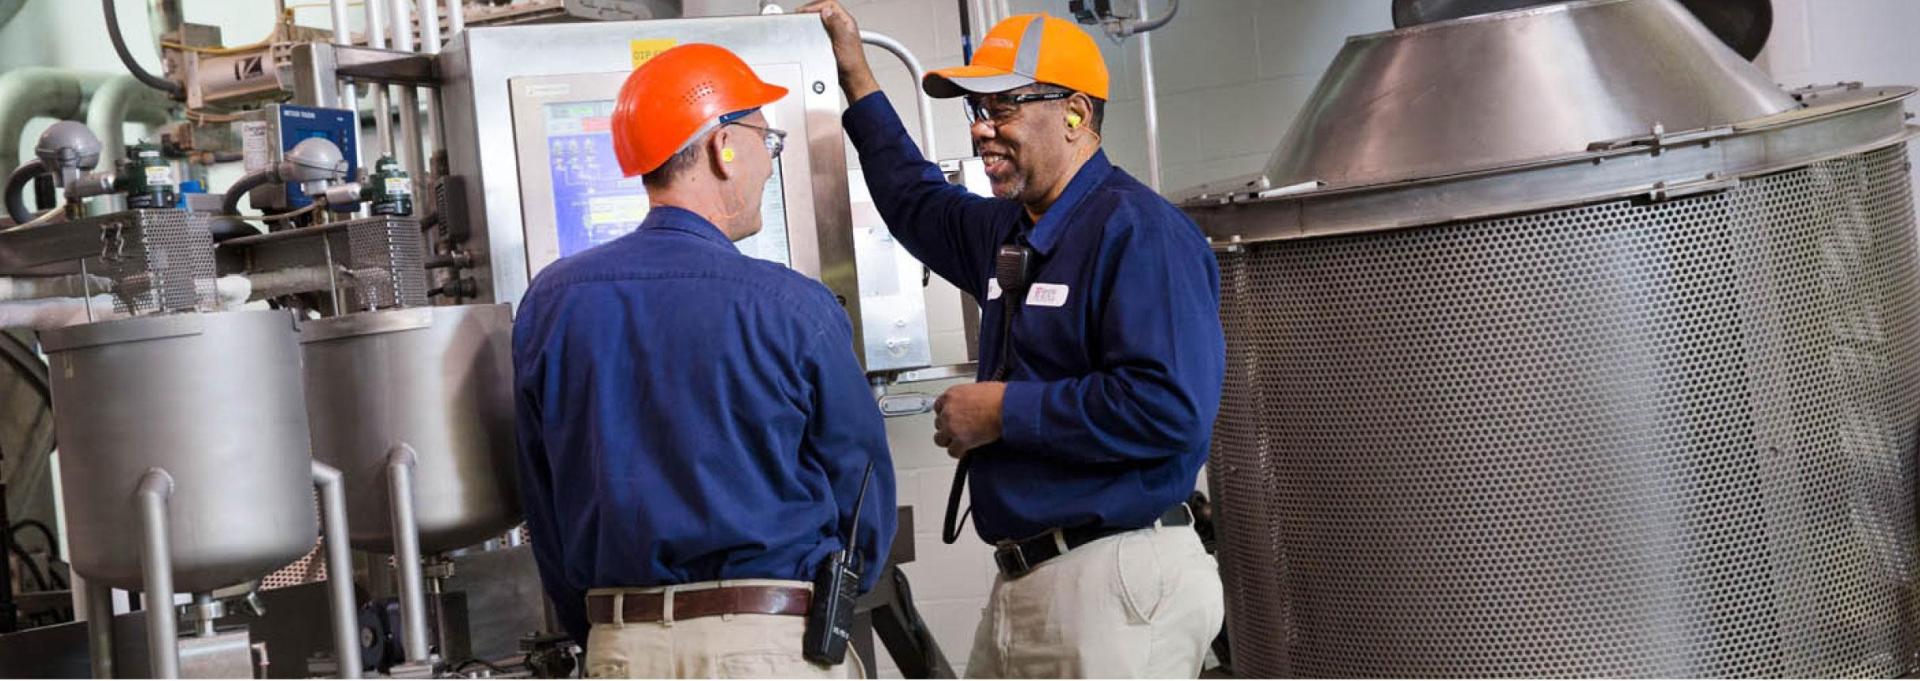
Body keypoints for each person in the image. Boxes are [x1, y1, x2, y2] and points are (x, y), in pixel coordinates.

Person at [800, 2, 1227, 677]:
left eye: (1002, 108)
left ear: (1076, 113)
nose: (979, 128)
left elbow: (1169, 408)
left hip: (1118, 575)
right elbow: (913, 199)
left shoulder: (1139, 234)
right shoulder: (1013, 233)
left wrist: (1001, 410)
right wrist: (855, 72)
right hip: (1030, 578)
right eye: (977, 108)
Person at [512, 42, 894, 679]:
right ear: (723, 147)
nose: (769, 169)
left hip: (620, 651)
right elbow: (862, 495)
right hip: (767, 647)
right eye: (767, 144)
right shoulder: (791, 304)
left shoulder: (551, 303)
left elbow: (541, 502)